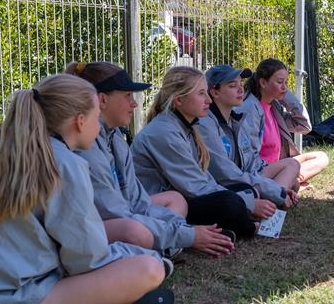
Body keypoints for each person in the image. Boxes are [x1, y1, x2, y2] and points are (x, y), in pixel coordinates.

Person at [0, 74, 173, 304]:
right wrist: (149, 255)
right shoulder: (65, 164)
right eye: (96, 116)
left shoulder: (0, 157)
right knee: (149, 269)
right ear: (80, 121)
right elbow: (87, 260)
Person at [66, 61, 234, 257]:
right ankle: (161, 249)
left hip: (120, 219)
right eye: (127, 95)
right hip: (98, 229)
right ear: (102, 100)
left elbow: (138, 202)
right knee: (136, 235)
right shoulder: (88, 148)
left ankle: (165, 245)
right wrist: (185, 235)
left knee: (177, 204)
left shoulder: (116, 140)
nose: (134, 103)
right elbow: (118, 215)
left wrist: (184, 229)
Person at [130, 66, 258, 239]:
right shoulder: (164, 132)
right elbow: (194, 186)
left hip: (183, 195)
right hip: (162, 204)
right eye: (201, 94)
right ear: (179, 100)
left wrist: (246, 198)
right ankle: (215, 229)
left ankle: (220, 228)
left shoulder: (185, 126)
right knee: (230, 203)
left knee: (242, 192)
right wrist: (248, 204)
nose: (209, 100)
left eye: (206, 93)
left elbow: (203, 178)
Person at [199, 64, 300, 212]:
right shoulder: (207, 125)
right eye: (233, 85)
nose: (241, 89)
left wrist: (272, 188)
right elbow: (226, 174)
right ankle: (269, 205)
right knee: (258, 190)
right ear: (215, 92)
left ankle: (270, 201)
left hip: (245, 176)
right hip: (223, 187)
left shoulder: (235, 119)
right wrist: (275, 191)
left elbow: (250, 159)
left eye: (241, 84)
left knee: (293, 175)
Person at [238, 58, 328, 187]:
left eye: (286, 82)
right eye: (280, 82)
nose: (284, 86)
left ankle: (290, 180)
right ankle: (286, 183)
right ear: (263, 82)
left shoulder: (274, 107)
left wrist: (284, 94)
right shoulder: (251, 109)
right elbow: (249, 156)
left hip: (281, 165)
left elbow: (304, 125)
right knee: (292, 165)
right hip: (263, 170)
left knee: (321, 157)